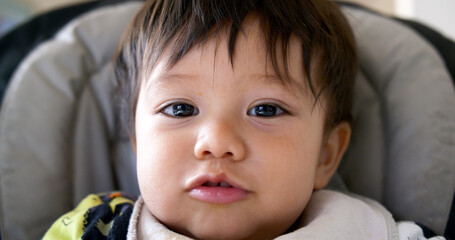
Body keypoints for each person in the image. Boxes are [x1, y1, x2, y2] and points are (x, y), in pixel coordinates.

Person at [42, 0, 443, 239]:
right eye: (180, 109)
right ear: (136, 142)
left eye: (265, 109)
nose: (217, 142)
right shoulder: (92, 229)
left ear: (325, 155)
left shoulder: (370, 232)